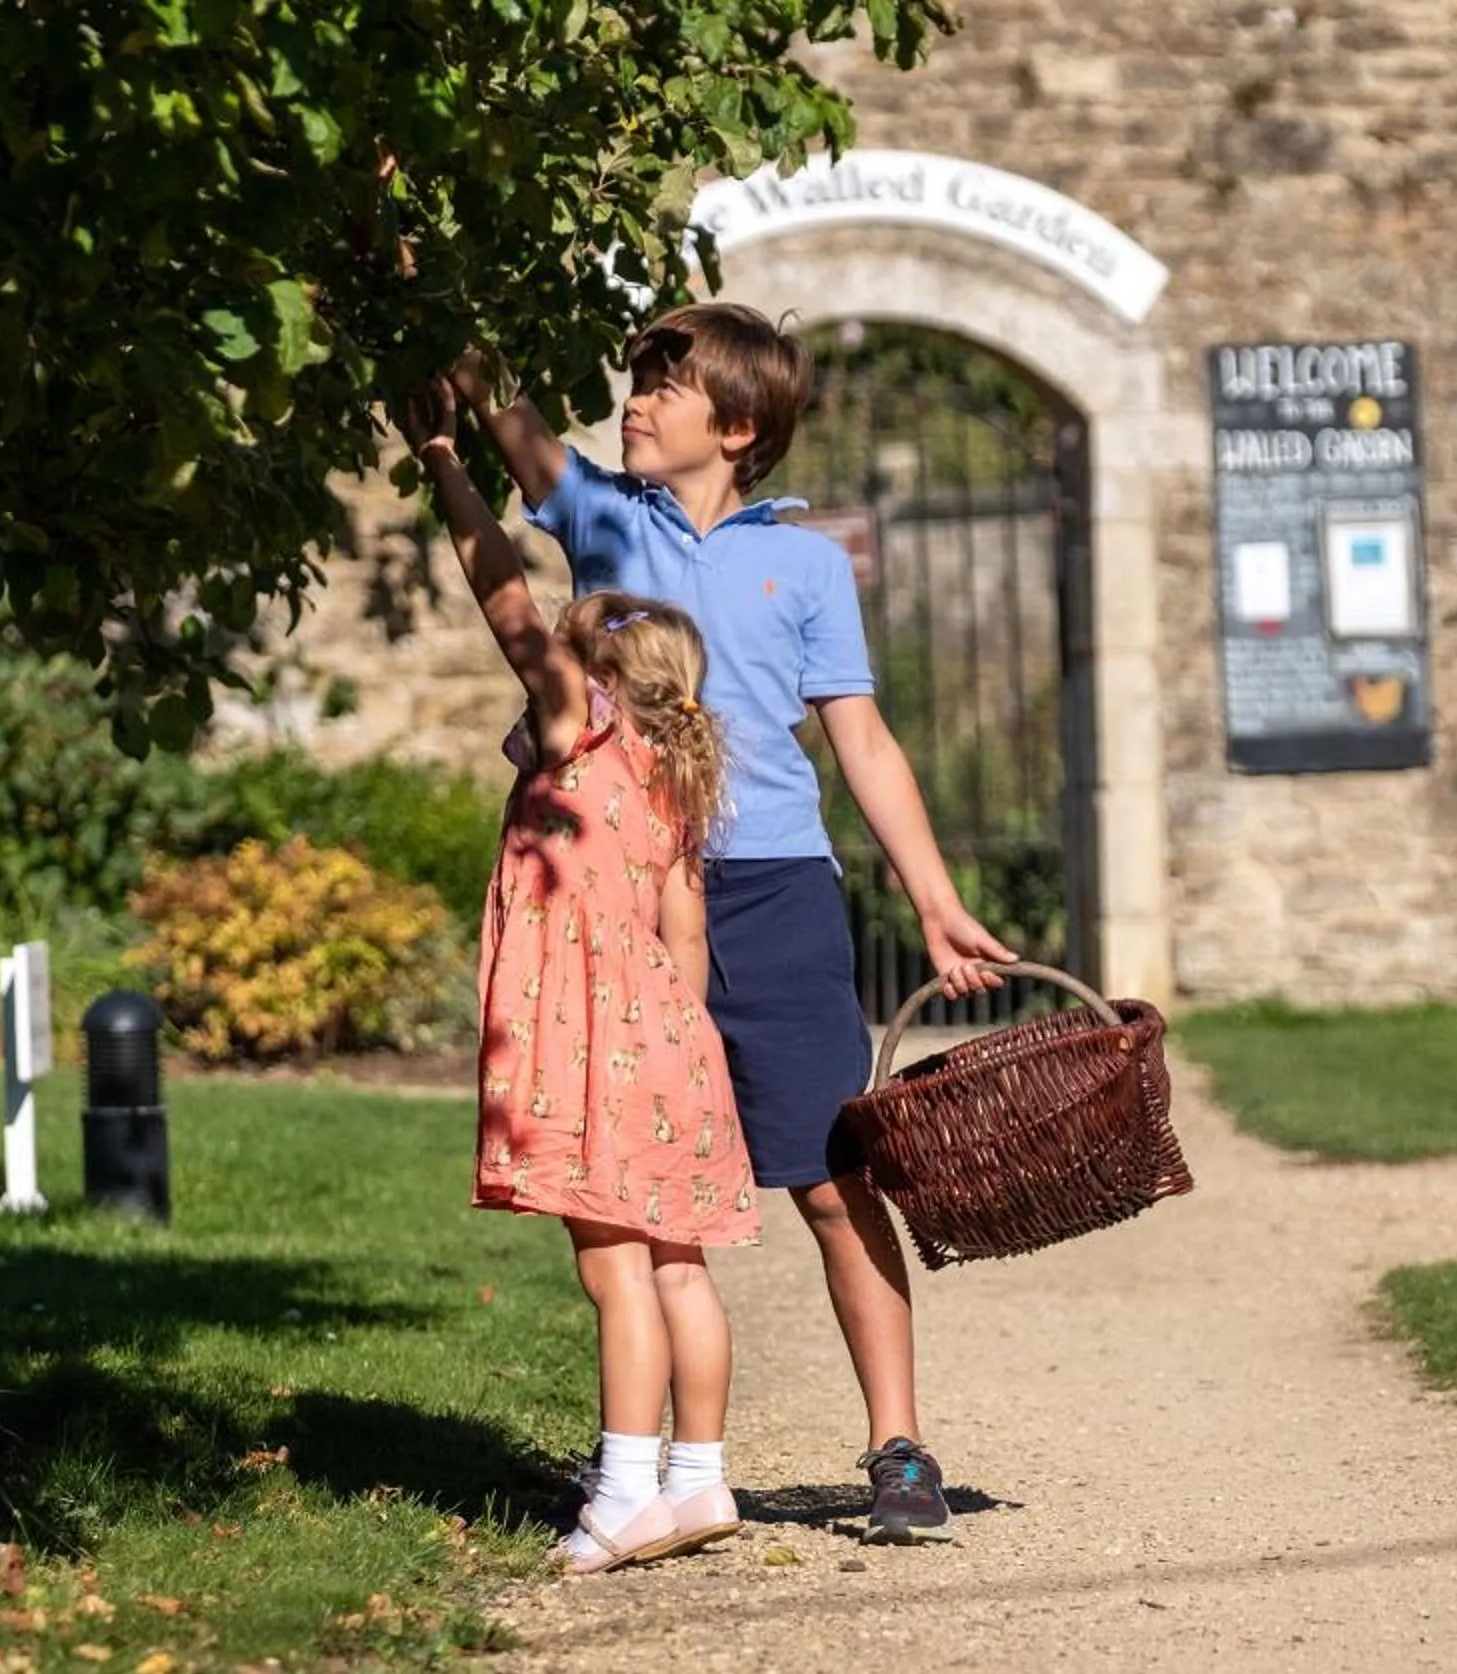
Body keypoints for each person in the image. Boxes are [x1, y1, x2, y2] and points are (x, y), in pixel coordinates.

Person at [449, 305, 1017, 1545]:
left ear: (740, 426)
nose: (635, 402)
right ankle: (652, 1468)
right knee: (624, 1195)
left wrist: (933, 898)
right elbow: (509, 421)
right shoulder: (606, 517)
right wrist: (418, 283)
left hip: (773, 892)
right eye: (638, 381)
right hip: (625, 905)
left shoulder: (805, 563)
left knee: (829, 1177)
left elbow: (858, 734)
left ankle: (898, 1444)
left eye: (665, 386)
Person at [402, 382, 759, 1576]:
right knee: (678, 1267)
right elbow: (687, 931)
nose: (548, 633)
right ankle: (698, 1479)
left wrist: (449, 467)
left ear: (595, 667)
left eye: (572, 627)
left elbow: (500, 592)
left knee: (614, 1272)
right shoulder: (673, 765)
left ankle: (619, 1491)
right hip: (670, 1041)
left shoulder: (583, 724)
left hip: (601, 1039)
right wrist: (693, 1052)